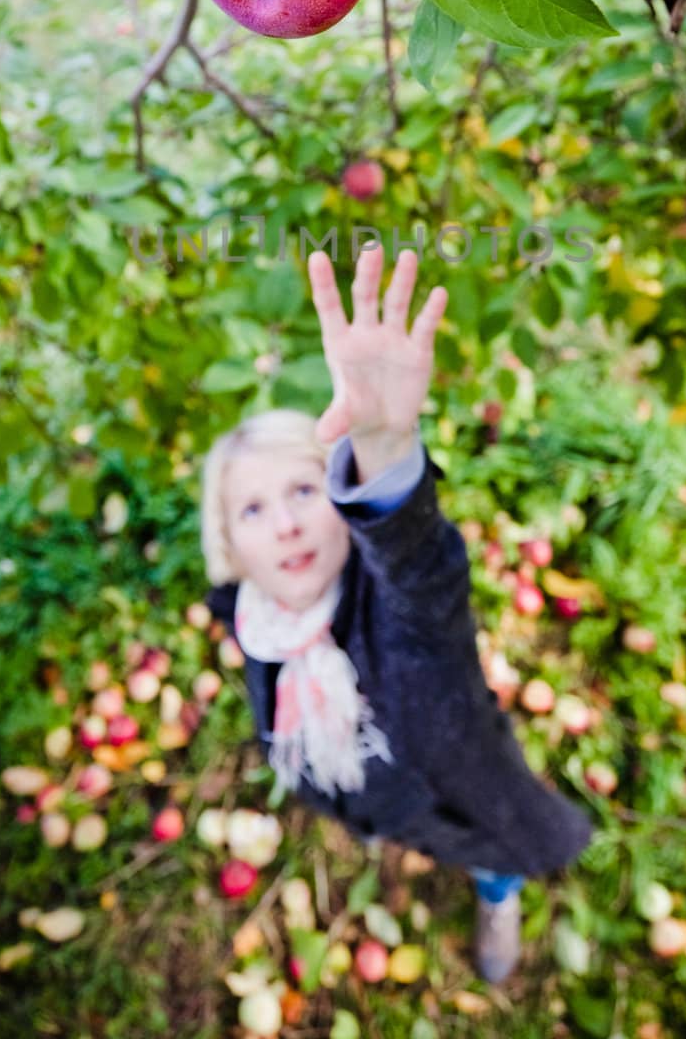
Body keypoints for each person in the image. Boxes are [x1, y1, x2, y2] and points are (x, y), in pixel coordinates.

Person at [200, 240, 594, 983]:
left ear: (341, 503)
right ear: (230, 544)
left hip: (461, 793)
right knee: (410, 831)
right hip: (382, 804)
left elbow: (420, 571)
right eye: (253, 508)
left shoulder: (395, 607)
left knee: (491, 850)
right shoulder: (256, 621)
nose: (284, 524)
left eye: (303, 492)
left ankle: (497, 895)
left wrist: (382, 449)